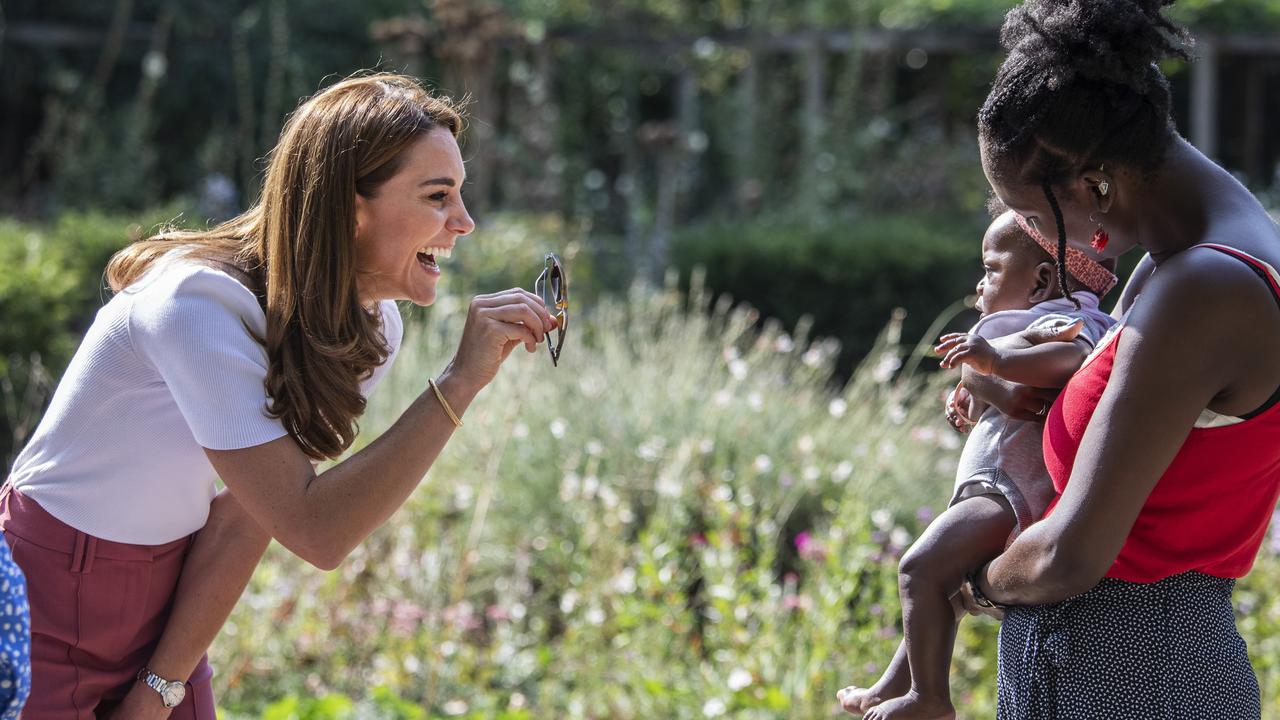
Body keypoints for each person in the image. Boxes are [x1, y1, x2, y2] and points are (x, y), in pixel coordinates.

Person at [2, 72, 559, 718]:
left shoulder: (369, 326)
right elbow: (314, 528)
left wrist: (159, 690)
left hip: (170, 590)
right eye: (438, 196)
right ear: (350, 206)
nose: (464, 223)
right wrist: (459, 383)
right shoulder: (197, 305)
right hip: (47, 586)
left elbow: (245, 521)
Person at [957, 0, 1280, 716]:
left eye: (1036, 220)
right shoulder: (1178, 266)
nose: (1047, 246)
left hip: (1143, 679)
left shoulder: (1206, 287)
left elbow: (1070, 555)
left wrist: (972, 581)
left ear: (1094, 182)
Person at [837, 209, 1116, 720]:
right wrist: (973, 390)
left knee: (920, 567)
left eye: (990, 269)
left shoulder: (1063, 314)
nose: (978, 285)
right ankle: (893, 687)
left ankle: (931, 700)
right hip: (997, 486)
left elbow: (1069, 358)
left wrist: (992, 362)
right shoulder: (1028, 319)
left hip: (1011, 493)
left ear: (1041, 280)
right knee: (943, 586)